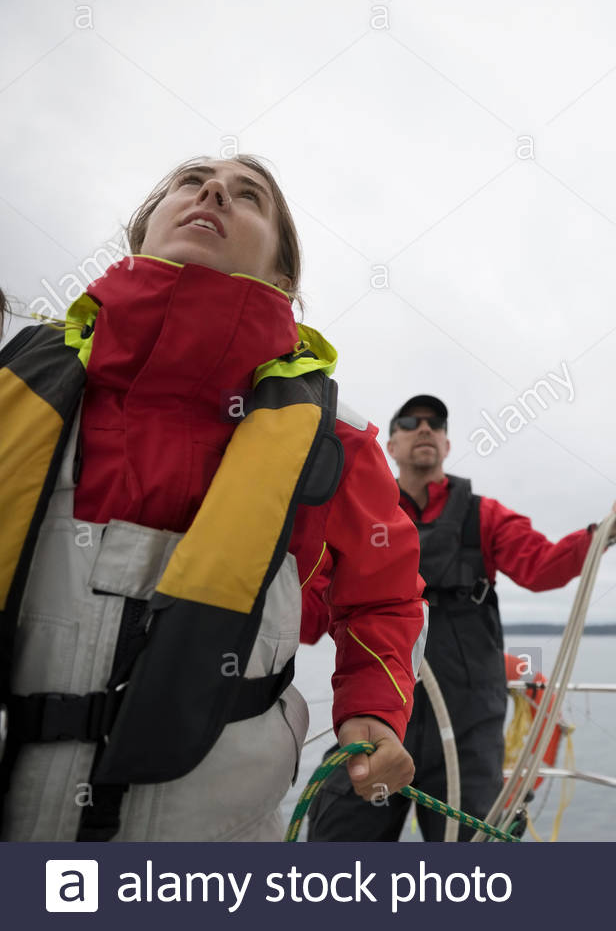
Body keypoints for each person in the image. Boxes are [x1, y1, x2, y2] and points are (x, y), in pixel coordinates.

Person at [0, 156, 426, 840]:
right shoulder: (19, 386)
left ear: (282, 276)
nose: (213, 190)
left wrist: (373, 711)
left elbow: (383, 597)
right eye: (187, 181)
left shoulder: (333, 443)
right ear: (143, 235)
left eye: (249, 196)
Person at [306, 395, 616, 840]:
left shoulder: (483, 515)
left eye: (436, 424)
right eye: (410, 422)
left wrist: (608, 527)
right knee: (337, 841)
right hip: (378, 716)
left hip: (469, 727)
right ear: (390, 445)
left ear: (447, 444)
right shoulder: (358, 512)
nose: (425, 429)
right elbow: (311, 608)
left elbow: (541, 566)